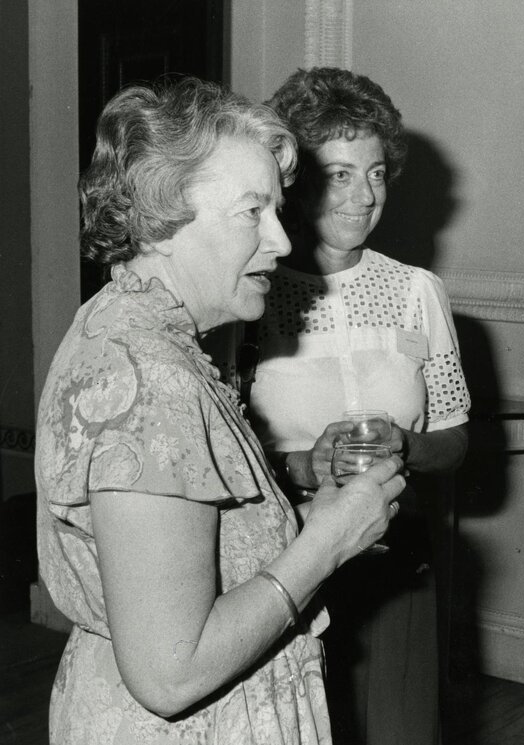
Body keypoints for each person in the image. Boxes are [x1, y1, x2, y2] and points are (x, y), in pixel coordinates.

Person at [34, 78, 405, 745]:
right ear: (163, 216)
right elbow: (171, 674)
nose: (282, 241)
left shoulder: (132, 326)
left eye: (277, 210)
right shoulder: (151, 381)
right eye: (250, 212)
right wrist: (326, 542)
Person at [240, 67, 471, 745]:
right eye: (340, 173)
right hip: (284, 564)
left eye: (376, 173)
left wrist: (406, 444)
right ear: (295, 180)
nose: (364, 195)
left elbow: (454, 440)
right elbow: (221, 452)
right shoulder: (250, 296)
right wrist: (305, 463)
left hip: (397, 567)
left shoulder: (416, 290)